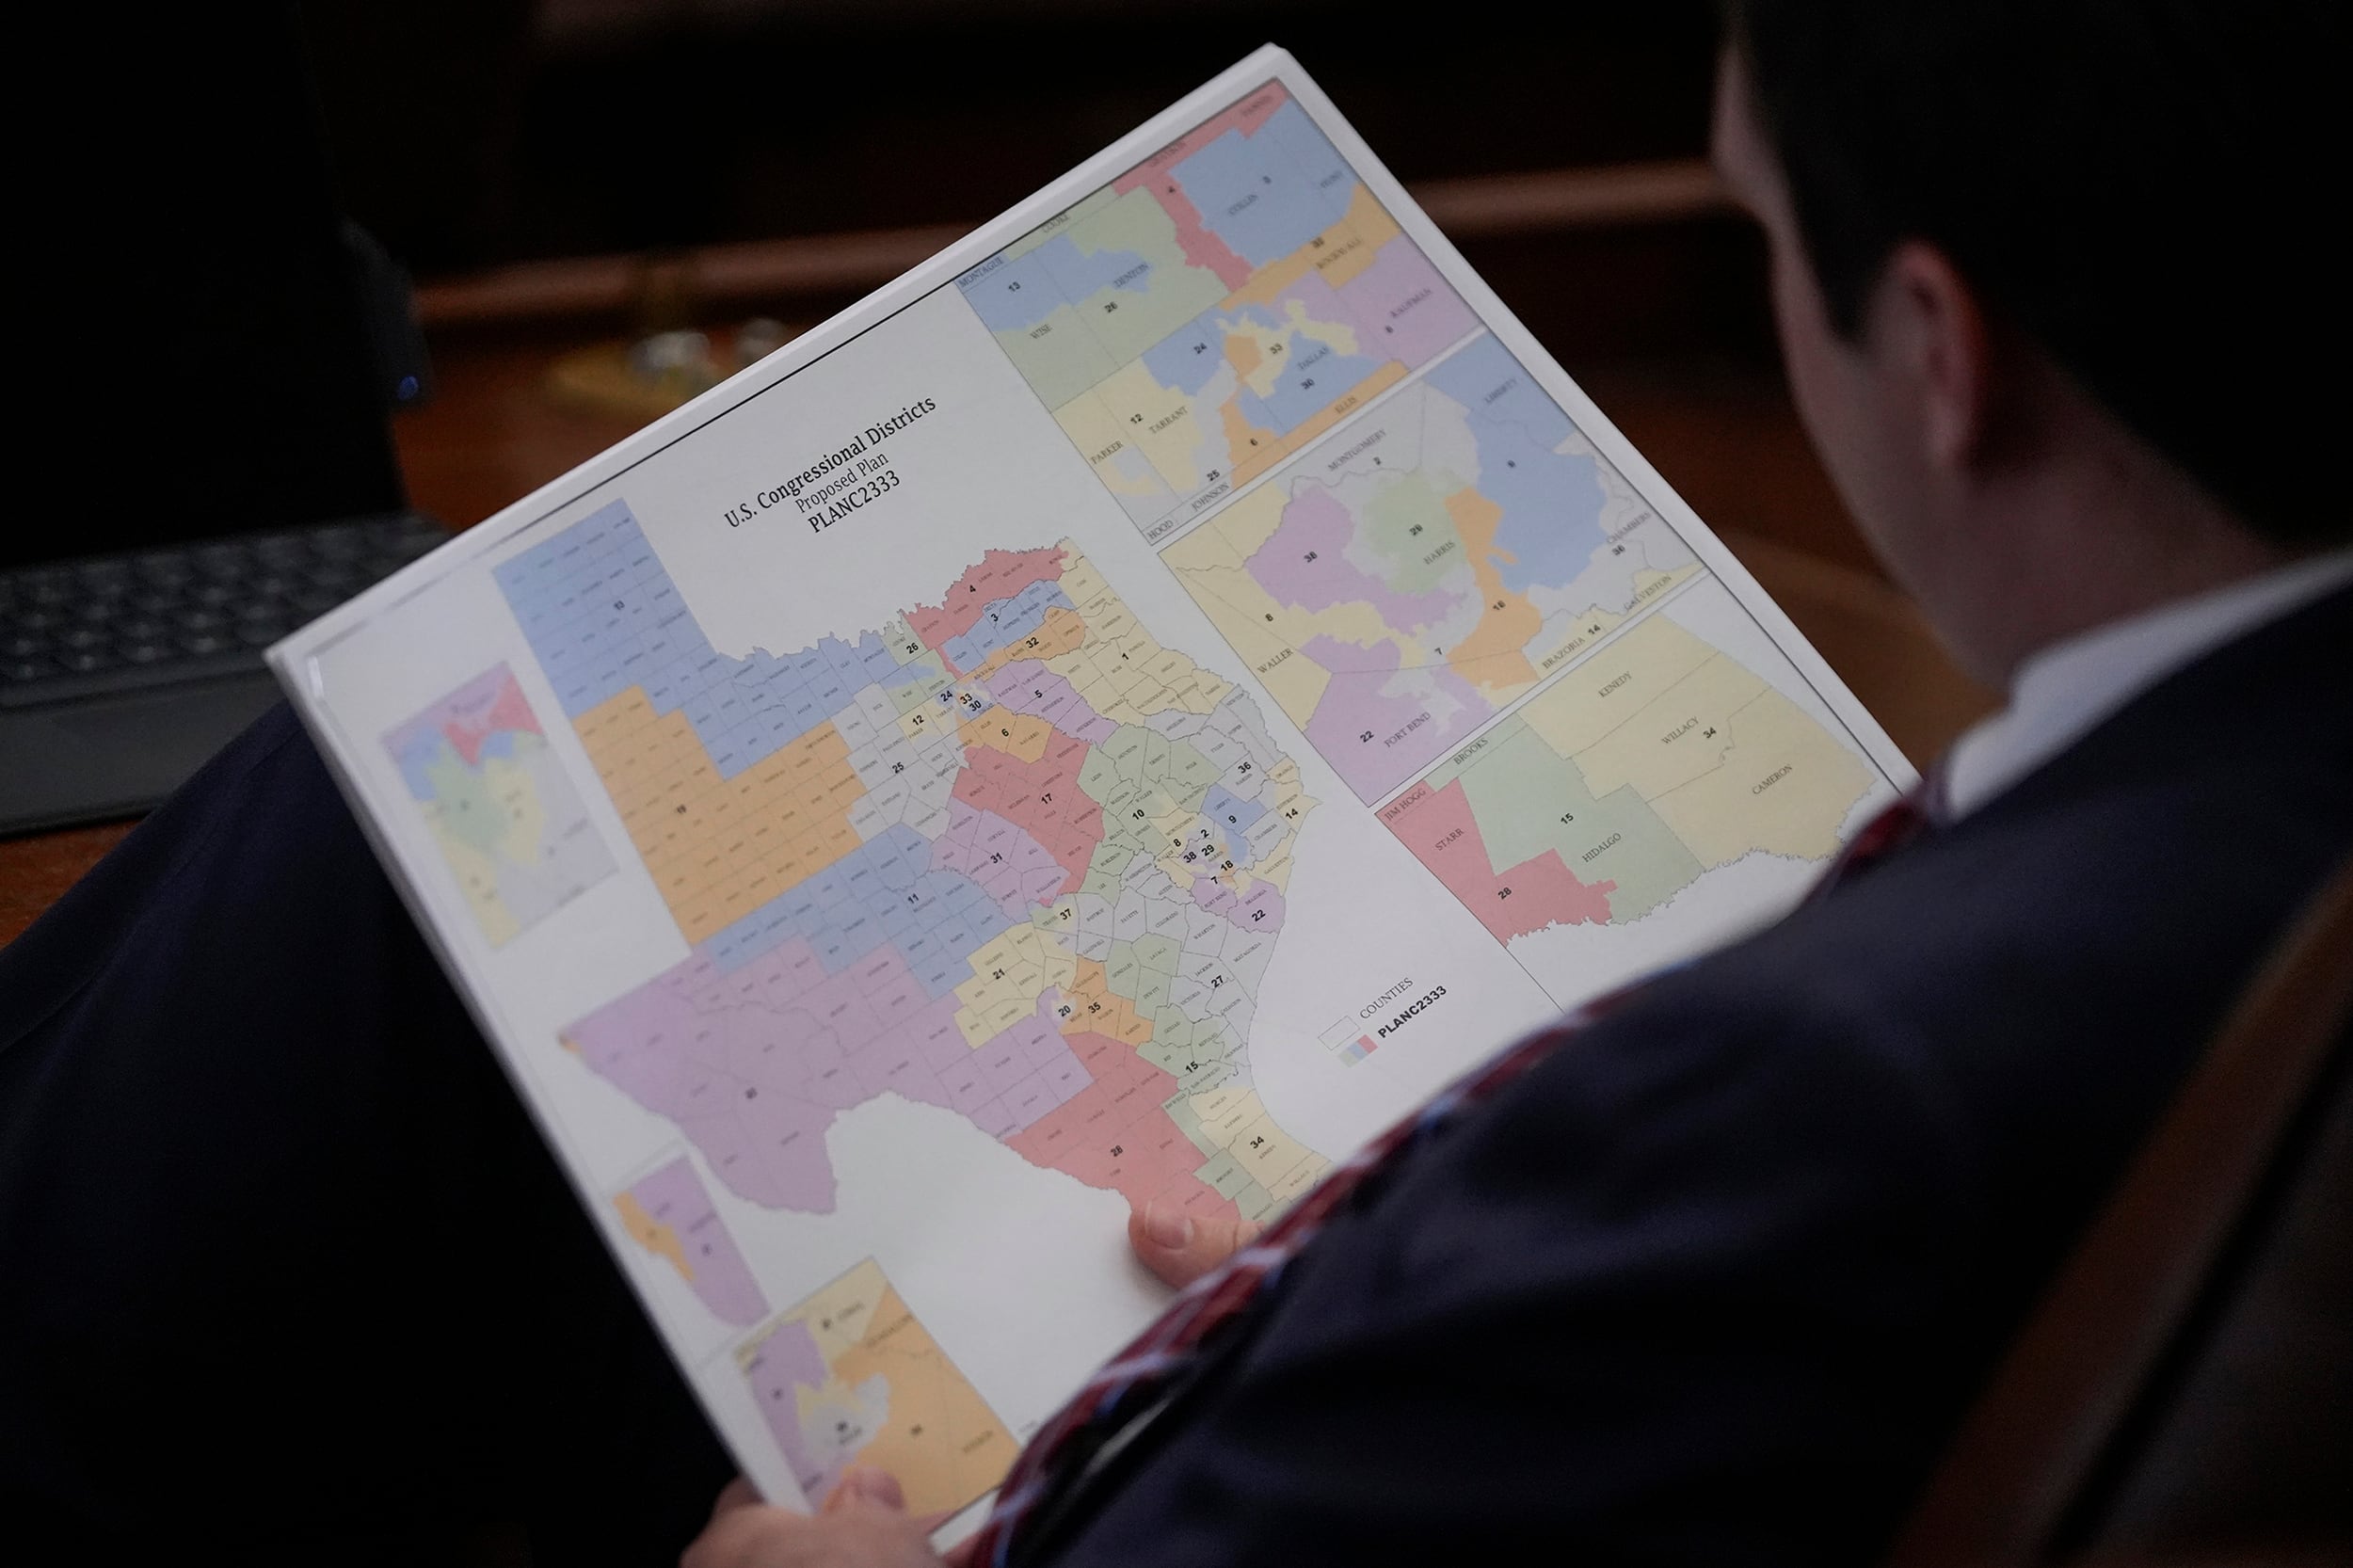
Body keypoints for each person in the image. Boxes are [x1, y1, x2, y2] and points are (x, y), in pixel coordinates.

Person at [3, 0, 2345, 1563]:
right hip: (1298, 1356)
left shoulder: (1832, 1087)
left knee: (361, 863)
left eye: (1759, 242)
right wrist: (1376, 1265)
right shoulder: (2234, 846)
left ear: (1936, 355)